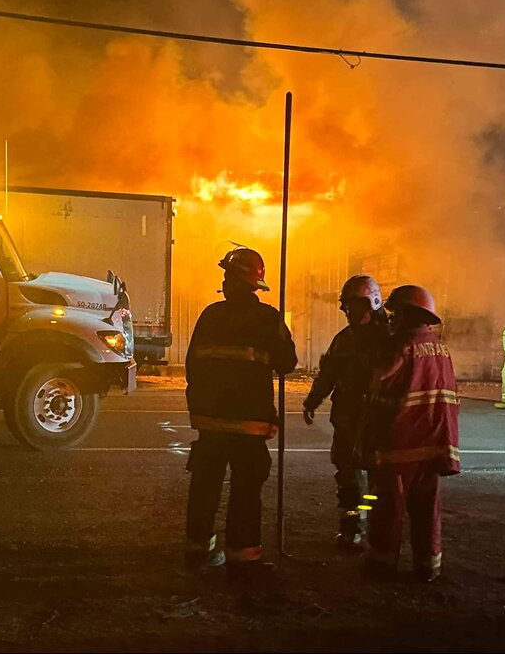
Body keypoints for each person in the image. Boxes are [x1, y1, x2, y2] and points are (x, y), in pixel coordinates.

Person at [184, 246, 298, 585]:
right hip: (250, 423)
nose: (223, 281)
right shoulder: (268, 319)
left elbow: (193, 365)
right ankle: (242, 556)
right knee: (246, 491)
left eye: (226, 275)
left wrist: (199, 407)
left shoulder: (210, 315)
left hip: (210, 421)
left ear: (234, 281)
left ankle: (197, 550)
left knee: (205, 486)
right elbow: (287, 363)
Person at [362, 285, 460, 583]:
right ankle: (428, 566)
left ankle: (381, 563)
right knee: (427, 510)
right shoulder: (441, 349)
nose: (391, 319)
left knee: (387, 507)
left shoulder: (400, 345)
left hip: (400, 444)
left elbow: (376, 380)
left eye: (395, 313)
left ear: (408, 314)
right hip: (433, 445)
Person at [302, 275, 391, 549]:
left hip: (379, 422)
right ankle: (351, 529)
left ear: (371, 304)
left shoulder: (390, 338)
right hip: (348, 420)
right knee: (348, 480)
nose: (346, 312)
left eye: (352, 306)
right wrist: (312, 400)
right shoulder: (344, 339)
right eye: (346, 307)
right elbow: (329, 373)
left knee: (380, 482)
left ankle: (380, 533)